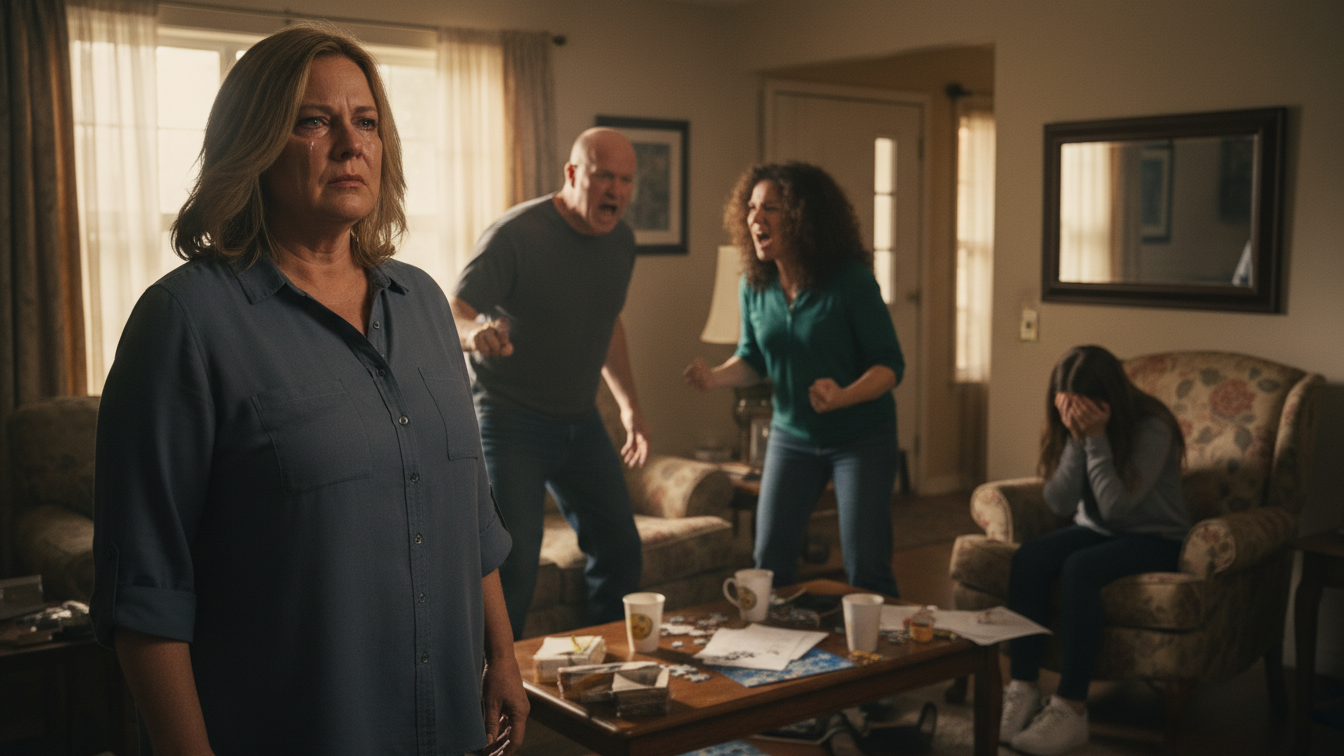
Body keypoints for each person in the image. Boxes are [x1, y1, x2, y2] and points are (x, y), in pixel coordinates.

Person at [89, 25, 527, 755]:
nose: (351, 145)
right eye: (314, 121)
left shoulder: (423, 302)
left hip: (450, 730)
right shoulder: (183, 322)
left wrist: (504, 657)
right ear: (252, 144)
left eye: (367, 122)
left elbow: (470, 515)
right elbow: (145, 591)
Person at [450, 128, 648, 639]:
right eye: (604, 176)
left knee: (620, 548)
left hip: (580, 420)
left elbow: (608, 323)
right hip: (510, 420)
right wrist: (476, 335)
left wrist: (629, 406)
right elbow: (455, 309)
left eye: (626, 180)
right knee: (514, 564)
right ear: (573, 173)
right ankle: (497, 680)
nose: (616, 190)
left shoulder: (622, 242)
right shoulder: (516, 234)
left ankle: (607, 667)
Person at [685, 162, 904, 597]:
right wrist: (715, 379)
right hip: (792, 435)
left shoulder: (851, 282)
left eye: (770, 208)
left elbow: (889, 366)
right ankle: (776, 639)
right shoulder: (754, 284)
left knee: (866, 565)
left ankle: (888, 640)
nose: (756, 218)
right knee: (768, 560)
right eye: (751, 207)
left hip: (860, 437)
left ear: (804, 218)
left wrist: (844, 396)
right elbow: (753, 358)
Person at [999, 345, 1190, 755]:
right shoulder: (1074, 428)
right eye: (1066, 406)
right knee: (1029, 558)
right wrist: (1076, 441)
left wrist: (1097, 440)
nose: (1073, 415)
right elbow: (1059, 502)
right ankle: (1023, 687)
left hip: (1156, 538)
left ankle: (1071, 708)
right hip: (1097, 529)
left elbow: (1116, 506)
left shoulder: (1153, 428)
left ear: (1108, 401)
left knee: (1079, 569)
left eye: (1081, 408)